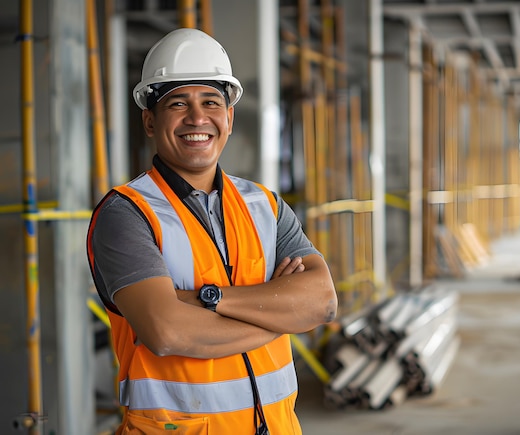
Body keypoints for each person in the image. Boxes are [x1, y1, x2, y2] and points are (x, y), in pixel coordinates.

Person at [86, 27, 337, 435]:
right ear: (149, 121)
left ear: (230, 117)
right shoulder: (126, 214)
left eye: (211, 102)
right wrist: (281, 314)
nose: (197, 118)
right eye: (177, 104)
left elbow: (322, 303)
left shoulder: (265, 206)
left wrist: (205, 300)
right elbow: (167, 333)